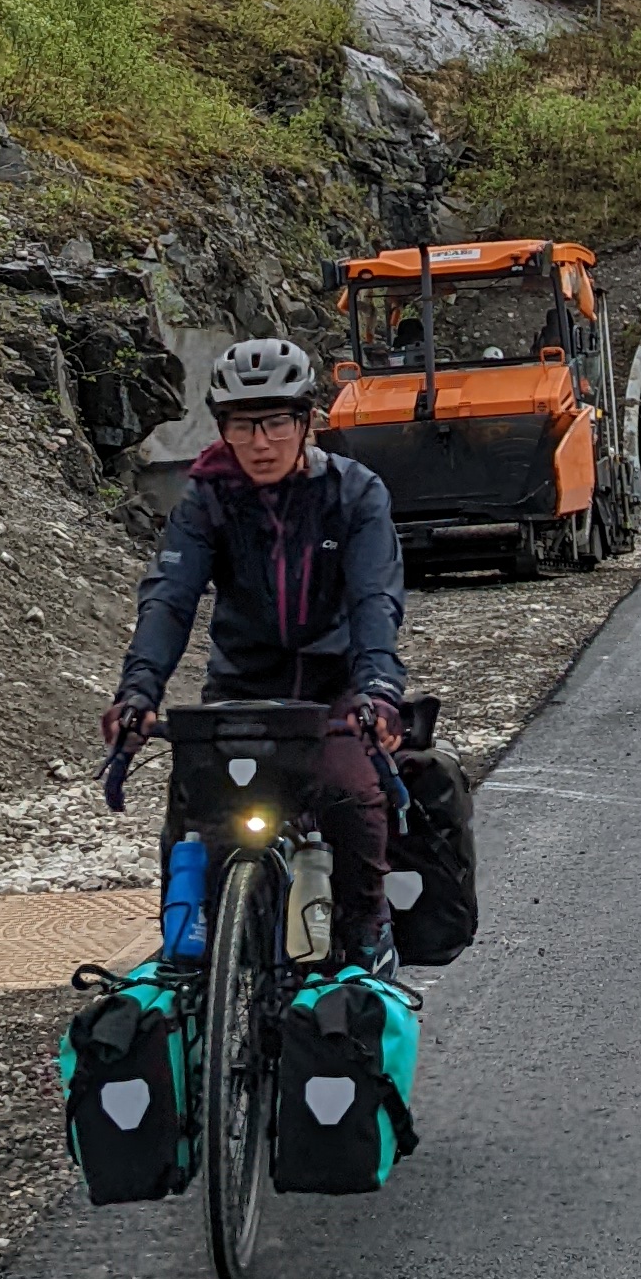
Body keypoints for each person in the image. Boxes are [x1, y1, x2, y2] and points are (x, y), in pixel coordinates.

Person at [104, 336, 406, 964]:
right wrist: (139, 691)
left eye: (276, 421)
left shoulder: (356, 494)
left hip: (333, 689)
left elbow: (373, 601)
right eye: (243, 425)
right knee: (194, 821)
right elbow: (169, 598)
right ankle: (191, 967)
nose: (260, 442)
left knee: (352, 796)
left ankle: (367, 931)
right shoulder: (207, 499)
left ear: (307, 422)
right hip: (241, 691)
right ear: (223, 428)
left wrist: (378, 691)